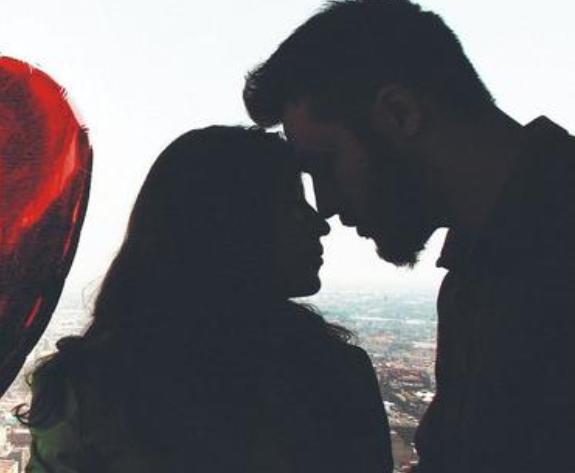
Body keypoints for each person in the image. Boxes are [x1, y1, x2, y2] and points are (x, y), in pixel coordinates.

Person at [242, 1, 575, 472]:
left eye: (324, 166)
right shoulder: (476, 273)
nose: (327, 206)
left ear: (399, 113)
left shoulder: (535, 258)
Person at [16, 126, 392, 473]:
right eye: (292, 204)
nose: (320, 224)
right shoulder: (337, 376)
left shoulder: (87, 392)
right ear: (228, 224)